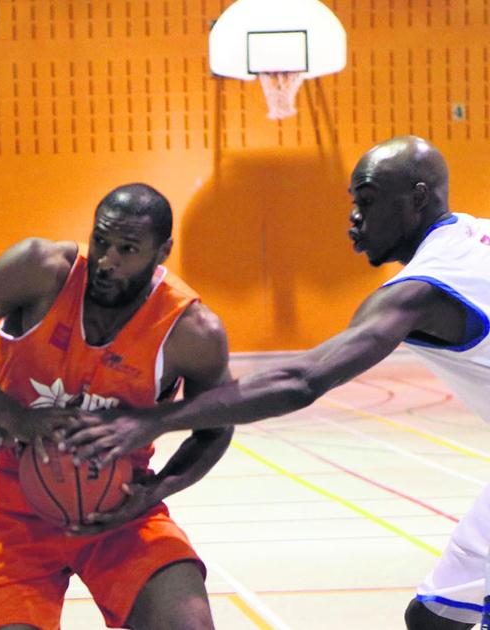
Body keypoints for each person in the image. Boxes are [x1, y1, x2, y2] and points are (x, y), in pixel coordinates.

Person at [63, 136, 490, 630]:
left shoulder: (421, 291)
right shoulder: (472, 236)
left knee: (435, 620)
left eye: (367, 201)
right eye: (354, 202)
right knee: (441, 616)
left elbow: (300, 379)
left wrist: (155, 419)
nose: (354, 217)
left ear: (418, 198)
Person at [0, 182, 235, 630]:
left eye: (128, 249)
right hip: (17, 512)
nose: (107, 261)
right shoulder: (42, 272)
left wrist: (158, 490)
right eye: (101, 241)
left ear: (163, 250)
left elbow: (217, 426)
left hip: (121, 513)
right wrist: (10, 416)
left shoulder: (192, 331)